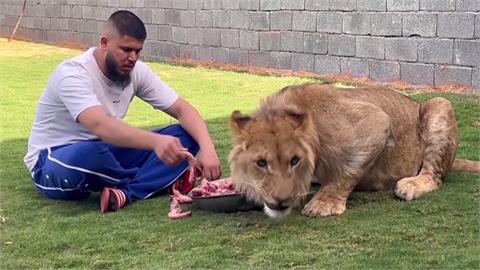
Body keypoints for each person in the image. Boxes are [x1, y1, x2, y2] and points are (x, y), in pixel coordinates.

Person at [24, 10, 221, 213]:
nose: (133, 58)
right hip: (52, 159)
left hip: (107, 150)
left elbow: (182, 108)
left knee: (185, 135)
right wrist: (156, 143)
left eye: (138, 51)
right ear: (104, 43)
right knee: (92, 154)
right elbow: (100, 125)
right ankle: (159, 179)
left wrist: (208, 148)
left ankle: (127, 193)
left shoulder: (136, 71)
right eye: (126, 49)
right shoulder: (72, 73)